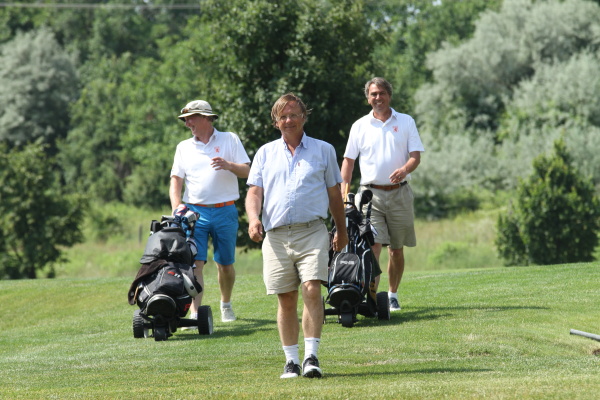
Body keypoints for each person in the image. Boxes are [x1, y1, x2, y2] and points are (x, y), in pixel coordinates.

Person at [245, 93, 348, 379]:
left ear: (304, 117)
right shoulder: (265, 153)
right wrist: (253, 219)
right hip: (276, 236)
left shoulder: (323, 150)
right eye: (283, 116)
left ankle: (311, 357)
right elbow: (254, 192)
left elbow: (334, 195)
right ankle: (291, 361)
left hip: (312, 230)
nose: (288, 120)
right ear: (276, 122)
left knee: (312, 288)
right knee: (286, 298)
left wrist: (341, 230)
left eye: (293, 114)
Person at [340, 77, 425, 312]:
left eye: (382, 93)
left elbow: (416, 156)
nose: (378, 98)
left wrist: (405, 169)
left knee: (396, 250)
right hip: (369, 197)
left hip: (400, 194)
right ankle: (371, 298)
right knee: (372, 246)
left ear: (389, 95)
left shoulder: (406, 121)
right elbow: (348, 161)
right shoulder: (359, 126)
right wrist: (344, 193)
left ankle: (392, 294)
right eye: (373, 94)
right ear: (368, 98)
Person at [170, 99, 250, 323]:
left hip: (225, 210)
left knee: (225, 265)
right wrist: (177, 207)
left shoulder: (230, 139)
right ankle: (196, 313)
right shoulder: (183, 147)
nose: (187, 124)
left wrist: (229, 165)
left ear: (206, 118)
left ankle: (226, 304)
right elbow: (176, 180)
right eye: (185, 120)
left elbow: (247, 171)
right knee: (196, 264)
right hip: (194, 213)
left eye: (191, 119)